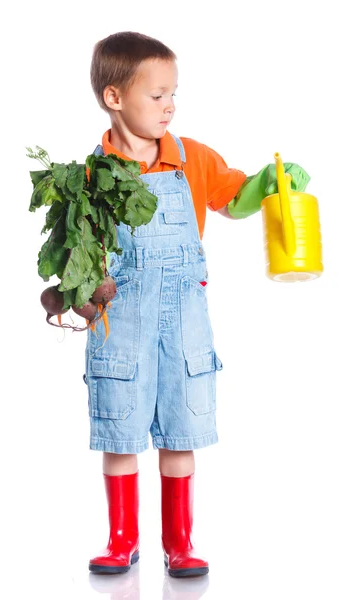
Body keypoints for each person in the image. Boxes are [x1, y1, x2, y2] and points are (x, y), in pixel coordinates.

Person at [85, 31, 309, 578]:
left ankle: (179, 544)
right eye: (157, 95)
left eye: (173, 94)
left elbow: (233, 200)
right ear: (115, 98)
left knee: (181, 432)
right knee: (122, 432)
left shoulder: (192, 158)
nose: (170, 106)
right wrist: (78, 294)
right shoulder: (90, 175)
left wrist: (270, 184)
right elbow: (82, 252)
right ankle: (121, 540)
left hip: (184, 325)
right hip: (121, 326)